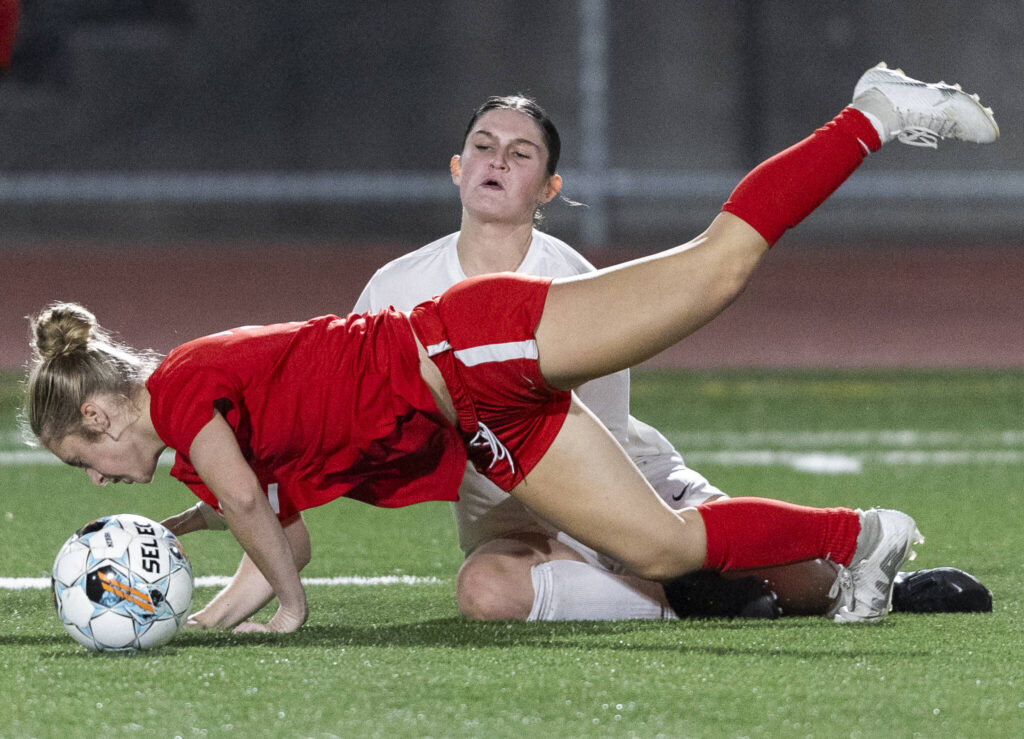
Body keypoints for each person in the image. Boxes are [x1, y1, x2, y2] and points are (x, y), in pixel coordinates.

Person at [23, 63, 999, 634]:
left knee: (713, 271)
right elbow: (273, 524)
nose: (101, 480)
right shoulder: (209, 431)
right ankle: (860, 537)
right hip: (483, 411)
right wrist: (203, 612)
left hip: (474, 346)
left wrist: (287, 605)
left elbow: (247, 509)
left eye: (85, 457)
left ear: (101, 413)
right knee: (652, 546)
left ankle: (870, 111)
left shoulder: (187, 388)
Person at [352, 87, 995, 621]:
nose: (496, 161)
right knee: (487, 593)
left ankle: (854, 568)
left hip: (626, 492)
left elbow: (583, 449)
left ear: (549, 188)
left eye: (520, 154)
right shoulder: (395, 290)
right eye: (483, 147)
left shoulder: (571, 289)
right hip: (522, 526)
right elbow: (362, 420)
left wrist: (635, 551)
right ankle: (697, 594)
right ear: (457, 167)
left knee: (800, 586)